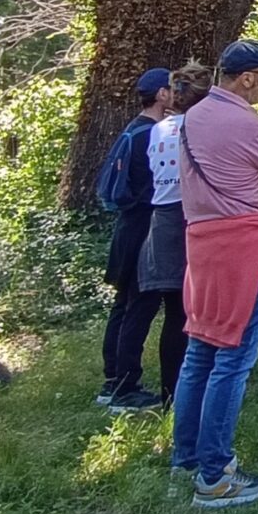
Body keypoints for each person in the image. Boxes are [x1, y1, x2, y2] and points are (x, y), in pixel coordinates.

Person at [171, 38, 258, 508]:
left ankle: (187, 457)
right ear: (248, 78)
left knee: (200, 353)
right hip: (246, 246)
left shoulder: (194, 117)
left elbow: (257, 174)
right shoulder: (246, 121)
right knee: (232, 361)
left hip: (202, 243)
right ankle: (215, 477)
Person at [136, 64, 213, 414]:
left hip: (162, 218)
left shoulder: (159, 128)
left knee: (174, 312)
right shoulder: (199, 127)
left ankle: (170, 394)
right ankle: (197, 387)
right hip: (192, 216)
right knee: (199, 308)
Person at [100, 68, 175, 409]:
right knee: (140, 304)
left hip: (128, 227)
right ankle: (126, 387)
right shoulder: (153, 134)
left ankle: (113, 380)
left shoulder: (133, 129)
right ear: (161, 94)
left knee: (124, 304)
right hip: (146, 226)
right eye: (172, 88)